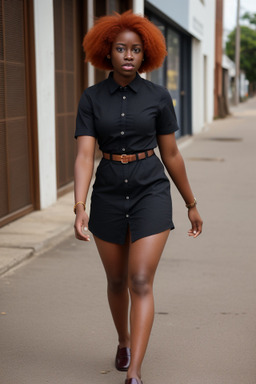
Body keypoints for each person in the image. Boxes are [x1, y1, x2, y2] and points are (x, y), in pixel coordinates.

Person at [74, 10, 203, 384]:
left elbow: (172, 154)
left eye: (135, 49)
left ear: (146, 54)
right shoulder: (92, 98)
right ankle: (123, 340)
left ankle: (134, 373)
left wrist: (191, 203)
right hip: (109, 191)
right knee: (116, 281)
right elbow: (85, 155)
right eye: (120, 48)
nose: (128, 55)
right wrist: (80, 205)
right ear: (107, 52)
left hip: (151, 189)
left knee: (140, 279)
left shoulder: (159, 97)